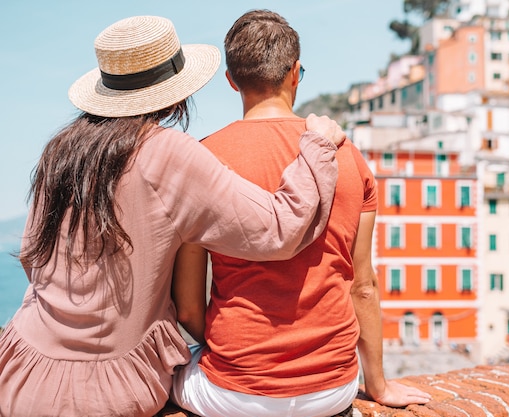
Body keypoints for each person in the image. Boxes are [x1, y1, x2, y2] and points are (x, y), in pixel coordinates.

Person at [0, 15, 347, 417]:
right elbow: (278, 230)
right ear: (176, 90)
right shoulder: (167, 152)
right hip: (106, 392)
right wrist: (317, 147)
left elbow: (31, 256)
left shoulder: (61, 152)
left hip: (21, 371)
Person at [170, 9, 432, 417]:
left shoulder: (201, 161)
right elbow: (362, 285)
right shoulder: (348, 157)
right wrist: (376, 385)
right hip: (332, 390)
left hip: (236, 394)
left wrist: (236, 355)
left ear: (232, 80)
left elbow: (186, 307)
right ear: (295, 73)